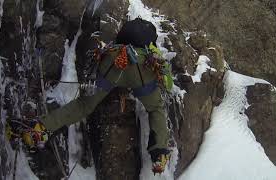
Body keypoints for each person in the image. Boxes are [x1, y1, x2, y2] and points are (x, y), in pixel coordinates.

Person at [10, 18, 171, 174]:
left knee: (84, 105)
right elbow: (157, 62)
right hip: (141, 68)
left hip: (113, 62)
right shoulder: (150, 34)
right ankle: (160, 153)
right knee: (155, 107)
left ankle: (41, 127)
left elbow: (111, 46)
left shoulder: (125, 30)